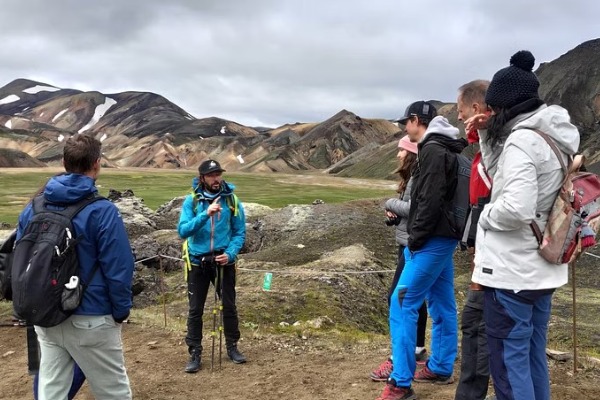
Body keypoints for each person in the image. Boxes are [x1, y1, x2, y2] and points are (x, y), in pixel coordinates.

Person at [471, 50, 580, 400]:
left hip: (512, 273)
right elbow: (502, 173)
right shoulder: (549, 135)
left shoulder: (521, 141)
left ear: (504, 106)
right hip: (540, 270)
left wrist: (484, 216)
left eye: (493, 109)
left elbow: (515, 208)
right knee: (532, 356)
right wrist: (487, 137)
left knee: (508, 363)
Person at [16, 134, 134, 400]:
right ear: (97, 164)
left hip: (45, 314)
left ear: (63, 162)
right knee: (113, 391)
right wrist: (120, 311)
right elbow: (119, 268)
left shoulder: (34, 207)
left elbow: (20, 255)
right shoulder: (102, 210)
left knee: (51, 390)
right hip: (92, 317)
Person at [377, 101, 467, 400]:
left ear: (417, 120)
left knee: (401, 304)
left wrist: (415, 239)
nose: (405, 128)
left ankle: (400, 382)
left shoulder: (430, 149)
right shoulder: (452, 149)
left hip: (431, 241)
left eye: (406, 122)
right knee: (442, 303)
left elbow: (427, 201)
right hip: (446, 237)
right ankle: (440, 365)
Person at [178, 159, 247, 372]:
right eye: (211, 175)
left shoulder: (232, 201)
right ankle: (195, 353)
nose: (216, 179)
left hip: (223, 262)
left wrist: (230, 253)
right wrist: (204, 215)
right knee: (195, 310)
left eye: (218, 174)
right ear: (202, 178)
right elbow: (183, 231)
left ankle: (232, 347)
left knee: (229, 306)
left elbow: (239, 232)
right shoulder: (192, 202)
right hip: (198, 262)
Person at [370, 135, 428, 382]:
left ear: (411, 153)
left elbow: (416, 207)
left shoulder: (417, 177)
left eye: (402, 150)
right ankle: (417, 349)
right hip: (409, 241)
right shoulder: (412, 177)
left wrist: (391, 203)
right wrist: (395, 216)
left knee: (398, 299)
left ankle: (400, 360)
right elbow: (410, 212)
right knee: (415, 299)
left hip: (412, 245)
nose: (398, 155)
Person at [454, 79, 493, 400]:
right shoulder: (486, 151)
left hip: (491, 264)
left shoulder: (493, 154)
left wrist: (481, 270)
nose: (458, 117)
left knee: (476, 326)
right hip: (488, 261)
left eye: (461, 111)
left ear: (477, 110)